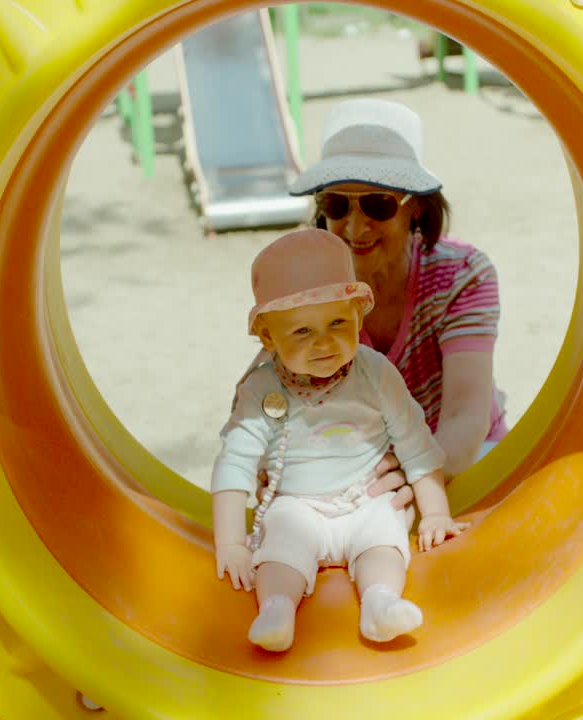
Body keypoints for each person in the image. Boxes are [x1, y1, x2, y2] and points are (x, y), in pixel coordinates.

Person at [212, 229, 468, 653]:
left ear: (358, 317)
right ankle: (276, 610)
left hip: (365, 497)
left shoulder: (375, 373)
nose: (324, 342)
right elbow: (234, 463)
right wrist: (231, 543)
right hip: (298, 505)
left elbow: (415, 443)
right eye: (302, 331)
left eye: (337, 323)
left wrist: (436, 513)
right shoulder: (262, 389)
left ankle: (380, 603)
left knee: (384, 539)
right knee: (280, 548)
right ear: (269, 338)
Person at [288, 98, 507, 509]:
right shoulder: (308, 289)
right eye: (337, 204)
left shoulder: (462, 275)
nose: (355, 227)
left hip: (460, 455)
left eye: (378, 204)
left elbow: (464, 415)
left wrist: (417, 470)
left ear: (416, 208)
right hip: (362, 467)